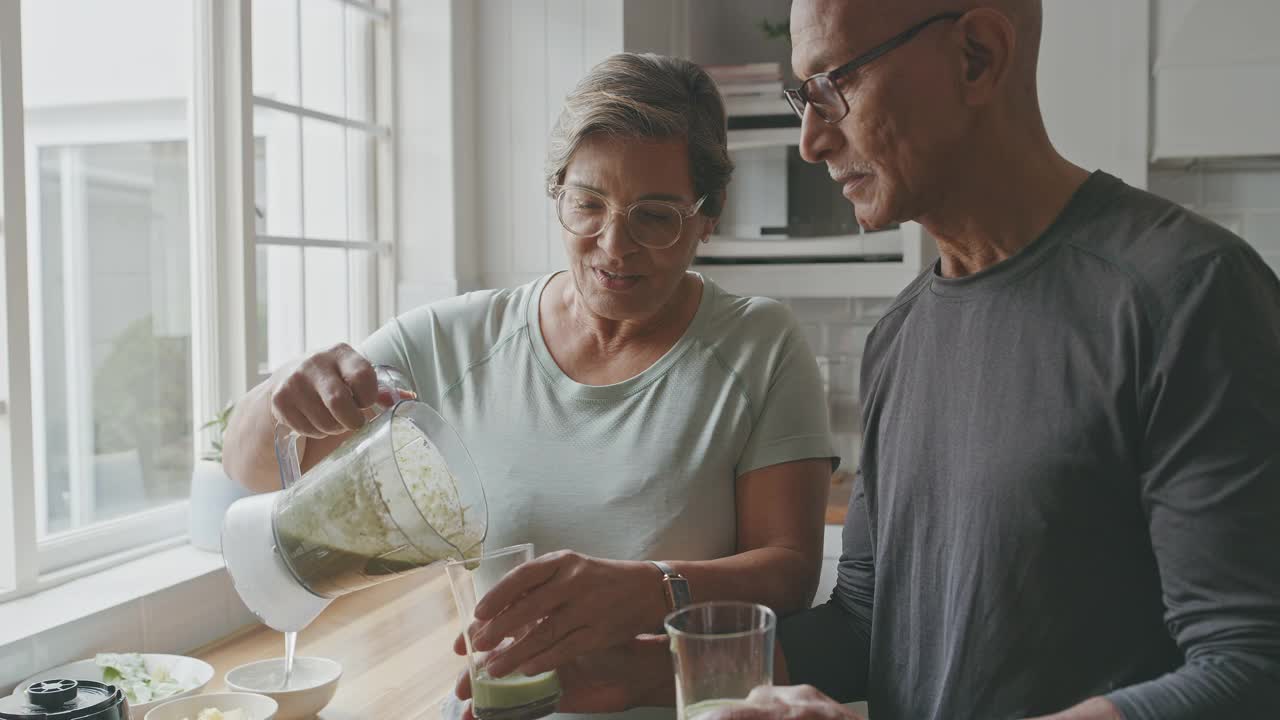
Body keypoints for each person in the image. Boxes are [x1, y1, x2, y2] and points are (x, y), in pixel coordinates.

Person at [458, 2, 1280, 719]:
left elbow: (1251, 671)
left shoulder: (1188, 294)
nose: (812, 139)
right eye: (800, 95)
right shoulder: (903, 336)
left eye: (832, 84)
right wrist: (630, 675)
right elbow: (863, 623)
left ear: (976, 56)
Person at [221, 52, 837, 720]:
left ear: (707, 216)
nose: (614, 244)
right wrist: (286, 391)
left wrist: (649, 591)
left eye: (655, 216)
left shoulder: (759, 345)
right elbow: (253, 469)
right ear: (557, 195)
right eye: (588, 204)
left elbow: (790, 574)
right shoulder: (451, 341)